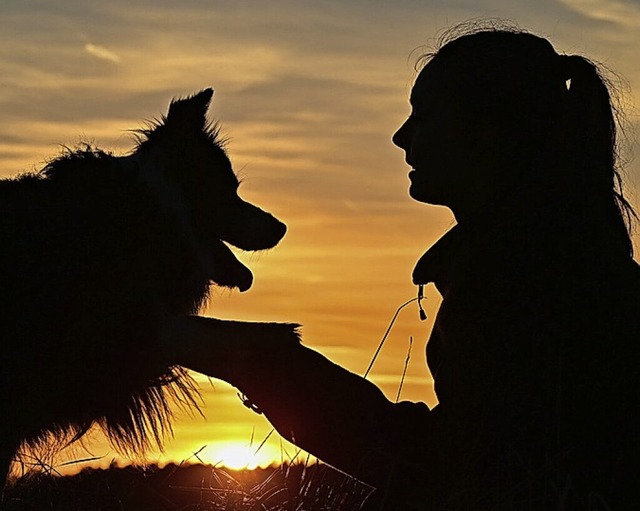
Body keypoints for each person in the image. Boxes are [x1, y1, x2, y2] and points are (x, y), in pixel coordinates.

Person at [163, 24, 640, 510]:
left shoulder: (532, 281)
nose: (400, 136)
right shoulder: (555, 259)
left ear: (483, 135)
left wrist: (258, 361)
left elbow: (449, 466)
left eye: (424, 116)